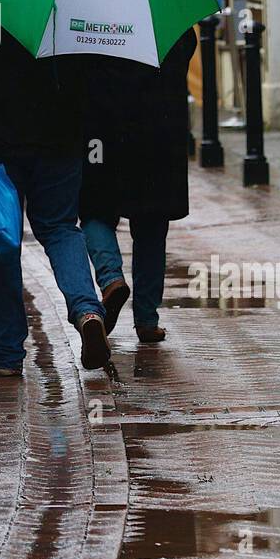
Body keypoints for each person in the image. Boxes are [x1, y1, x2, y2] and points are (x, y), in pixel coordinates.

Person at [0, 29, 109, 378]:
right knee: (61, 228)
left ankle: (5, 354)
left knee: (0, 240)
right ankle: (87, 310)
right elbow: (95, 67)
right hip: (61, 137)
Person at [80, 29, 197, 344]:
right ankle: (147, 318)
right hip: (159, 131)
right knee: (151, 223)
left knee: (94, 209)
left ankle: (111, 278)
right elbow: (185, 50)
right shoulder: (165, 14)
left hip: (102, 133)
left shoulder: (90, 14)